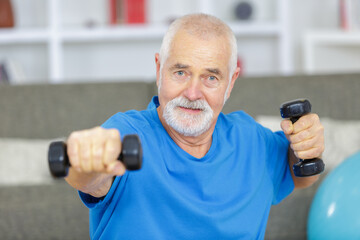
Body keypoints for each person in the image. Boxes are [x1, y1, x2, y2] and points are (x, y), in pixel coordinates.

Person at [65, 13, 324, 239]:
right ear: (159, 70)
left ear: (231, 83)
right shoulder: (126, 133)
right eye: (180, 73)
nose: (192, 93)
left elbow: (300, 177)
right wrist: (85, 165)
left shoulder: (251, 139)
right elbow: (90, 181)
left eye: (211, 77)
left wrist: (307, 147)